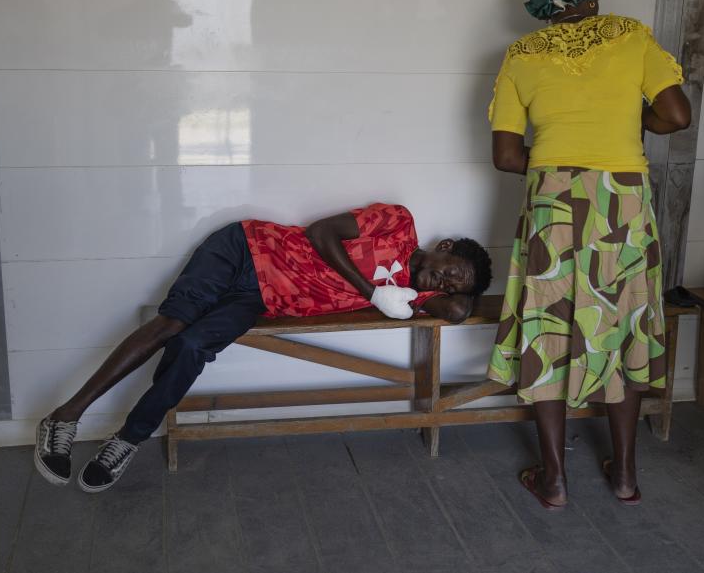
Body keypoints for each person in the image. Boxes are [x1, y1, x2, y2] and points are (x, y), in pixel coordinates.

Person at [34, 202, 492, 492]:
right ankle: (64, 418)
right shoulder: (399, 222)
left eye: (456, 284)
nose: (446, 281)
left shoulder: (419, 297)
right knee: (171, 325)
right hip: (245, 248)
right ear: (443, 245)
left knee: (193, 345)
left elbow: (457, 312)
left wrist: (447, 294)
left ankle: (126, 440)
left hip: (259, 301)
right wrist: (371, 292)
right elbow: (321, 232)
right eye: (451, 268)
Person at [486, 0, 691, 509]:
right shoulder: (630, 36)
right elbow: (675, 116)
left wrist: (561, 161)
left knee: (548, 325)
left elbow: (507, 156)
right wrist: (630, 125)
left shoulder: (521, 55)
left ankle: (553, 480)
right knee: (624, 320)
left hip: (551, 196)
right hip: (620, 198)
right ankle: (624, 475)